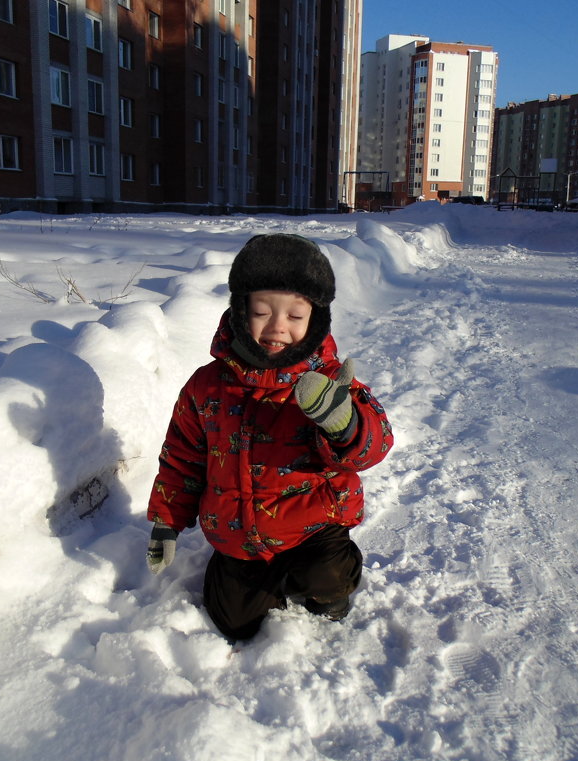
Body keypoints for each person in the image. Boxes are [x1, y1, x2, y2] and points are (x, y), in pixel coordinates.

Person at [145, 233, 394, 641]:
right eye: (262, 312)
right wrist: (166, 521)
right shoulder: (206, 388)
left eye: (295, 317)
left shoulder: (328, 383)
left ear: (315, 321)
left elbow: (376, 443)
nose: (278, 327)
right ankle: (258, 583)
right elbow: (181, 459)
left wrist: (344, 424)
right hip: (238, 534)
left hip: (313, 527)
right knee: (233, 621)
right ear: (241, 311)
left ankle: (333, 581)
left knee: (325, 577)